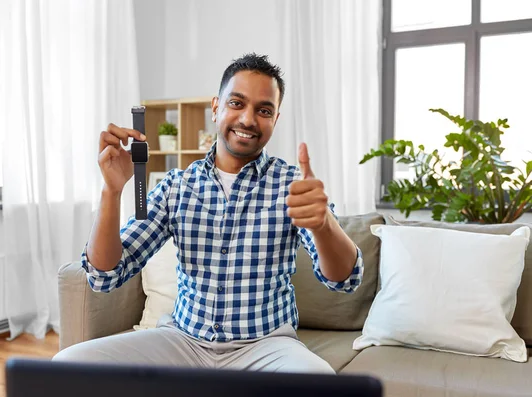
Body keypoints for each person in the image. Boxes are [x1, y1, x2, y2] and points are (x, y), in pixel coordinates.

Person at [54, 53, 363, 374]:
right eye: (237, 103)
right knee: (68, 366)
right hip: (183, 340)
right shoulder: (177, 186)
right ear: (216, 107)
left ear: (275, 119)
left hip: (267, 345)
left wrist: (323, 223)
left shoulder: (294, 186)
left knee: (323, 382)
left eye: (264, 110)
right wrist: (111, 191)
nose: (248, 119)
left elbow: (345, 279)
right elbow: (104, 275)